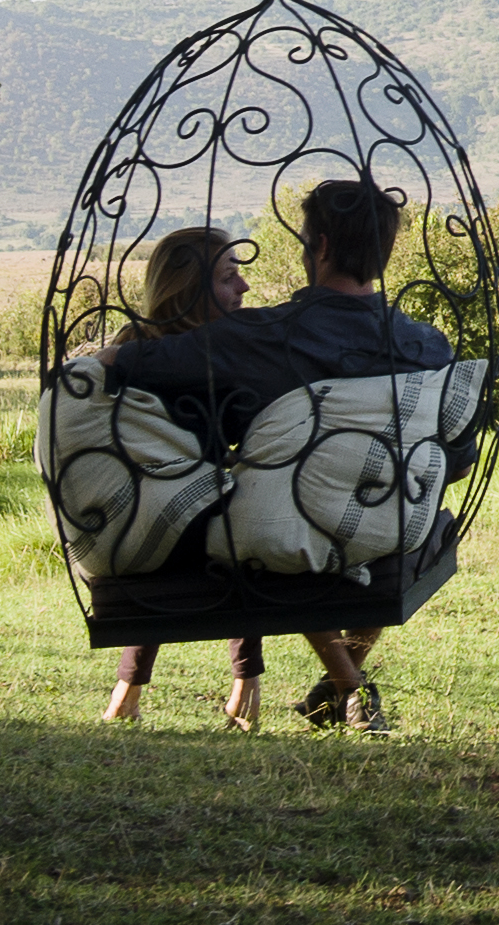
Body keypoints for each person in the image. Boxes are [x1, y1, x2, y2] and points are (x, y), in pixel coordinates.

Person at [101, 176, 456, 731]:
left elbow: (119, 367)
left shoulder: (259, 336)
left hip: (286, 532)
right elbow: (457, 458)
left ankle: (346, 685)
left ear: (319, 246)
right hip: (387, 528)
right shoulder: (428, 346)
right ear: (384, 251)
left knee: (271, 514)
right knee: (415, 523)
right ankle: (346, 684)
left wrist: (93, 362)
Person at [94, 224, 271, 729]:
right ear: (189, 287)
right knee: (240, 525)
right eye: (228, 277)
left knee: (218, 514)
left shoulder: (132, 348)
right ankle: (270, 684)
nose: (244, 287)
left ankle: (128, 694)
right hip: (169, 522)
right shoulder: (189, 358)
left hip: (143, 523)